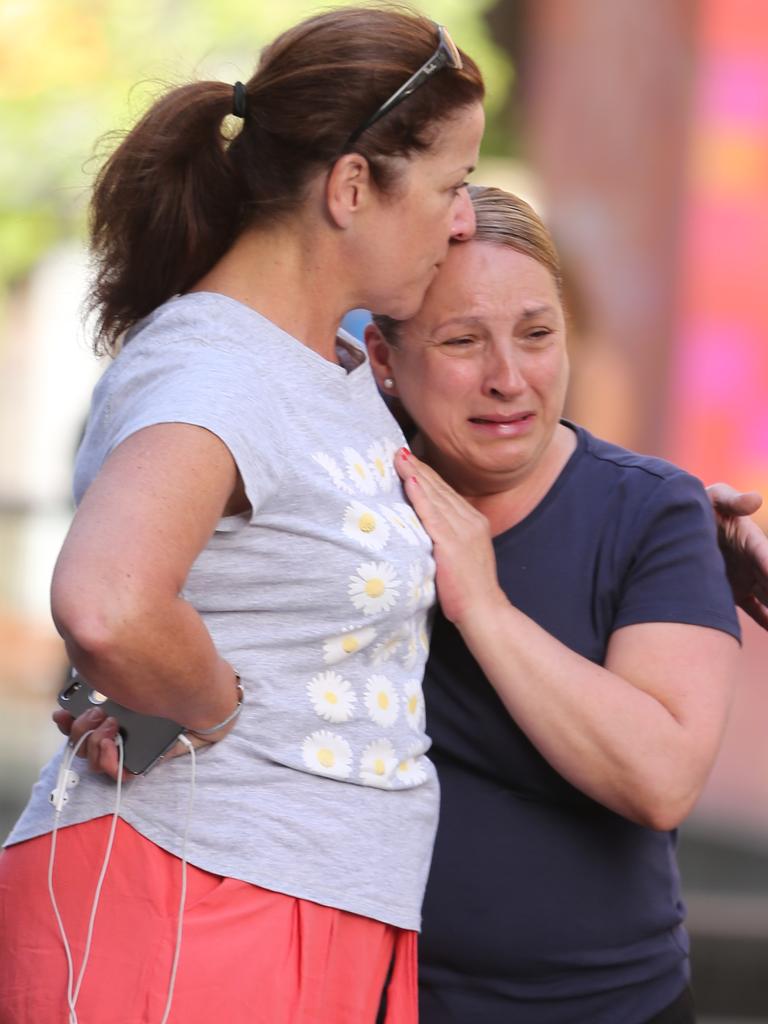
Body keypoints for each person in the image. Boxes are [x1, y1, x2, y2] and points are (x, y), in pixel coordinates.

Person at [0, 9, 484, 1023]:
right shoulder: (218, 366)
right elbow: (111, 602)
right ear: (352, 187)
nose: (464, 221)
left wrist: (662, 510)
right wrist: (210, 703)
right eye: (451, 186)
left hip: (305, 902)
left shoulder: (329, 366)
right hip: (199, 893)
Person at [364, 184, 747, 1024]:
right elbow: (167, 629)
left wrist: (486, 607)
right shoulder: (345, 502)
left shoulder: (653, 511)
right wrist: (108, 706)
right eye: (464, 340)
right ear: (384, 360)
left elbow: (662, 779)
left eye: (537, 335)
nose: (509, 379)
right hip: (377, 1002)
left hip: (610, 1008)